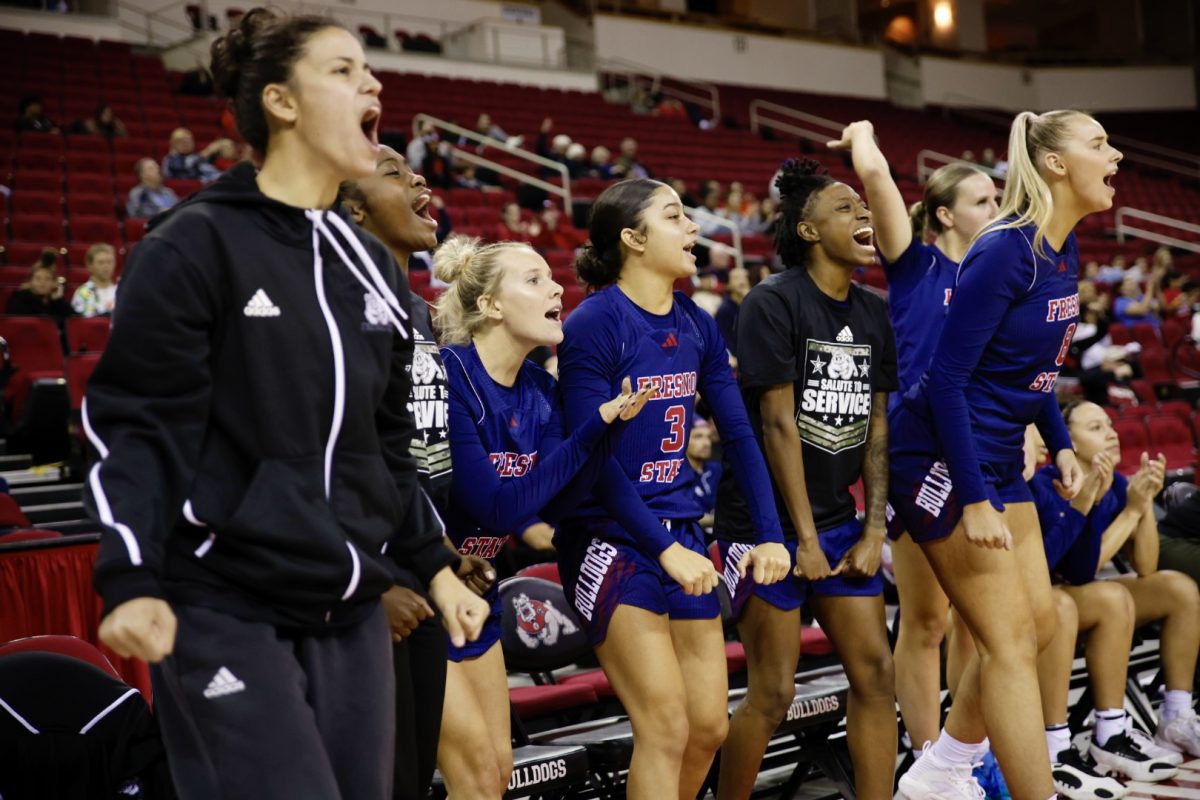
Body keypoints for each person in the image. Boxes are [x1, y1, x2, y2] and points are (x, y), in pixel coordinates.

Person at [84, 10, 488, 799]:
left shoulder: (374, 268)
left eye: (368, 68)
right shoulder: (190, 244)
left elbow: (385, 445)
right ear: (281, 102)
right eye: (342, 70)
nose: (370, 82)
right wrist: (128, 576)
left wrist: (434, 565)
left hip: (350, 609)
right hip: (223, 605)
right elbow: (136, 425)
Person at [887, 109, 1120, 800]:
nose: (1115, 156)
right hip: (937, 456)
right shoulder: (1003, 250)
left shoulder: (1062, 248)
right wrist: (978, 497)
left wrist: (1056, 443)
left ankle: (942, 769)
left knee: (1042, 622)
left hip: (994, 452)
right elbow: (949, 381)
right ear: (1054, 164)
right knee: (1009, 645)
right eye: (1099, 144)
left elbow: (1035, 368)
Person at [556, 178, 790, 799]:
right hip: (609, 536)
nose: (694, 229)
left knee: (708, 728)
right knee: (664, 726)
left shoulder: (695, 322)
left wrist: (770, 533)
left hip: (681, 531)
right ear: (632, 240)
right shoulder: (592, 325)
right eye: (675, 217)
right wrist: (663, 548)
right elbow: (594, 461)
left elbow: (739, 434)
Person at [431, 234, 653, 797]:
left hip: (479, 590)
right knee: (468, 771)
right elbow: (499, 506)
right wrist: (592, 428)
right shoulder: (448, 375)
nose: (556, 286)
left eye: (551, 278)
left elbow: (560, 501)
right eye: (534, 280)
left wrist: (612, 426)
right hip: (420, 592)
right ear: (491, 306)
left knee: (496, 771)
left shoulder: (538, 386)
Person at [713, 158, 899, 800]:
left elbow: (877, 430)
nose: (864, 215)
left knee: (877, 674)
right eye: (846, 208)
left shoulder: (874, 312)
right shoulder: (772, 301)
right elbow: (778, 425)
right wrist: (802, 540)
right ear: (809, 229)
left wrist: (873, 528)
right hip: (763, 524)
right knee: (773, 690)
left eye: (863, 206)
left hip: (840, 522)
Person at [826, 121, 1000, 763]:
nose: (997, 210)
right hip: (917, 454)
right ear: (946, 215)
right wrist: (866, 135)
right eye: (983, 200)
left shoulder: (998, 278)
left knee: (984, 626)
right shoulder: (917, 263)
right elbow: (876, 179)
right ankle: (929, 756)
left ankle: (969, 754)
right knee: (928, 620)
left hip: (978, 450)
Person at [338, 146, 493, 800]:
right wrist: (369, 582)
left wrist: (440, 555)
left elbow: (412, 456)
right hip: (362, 580)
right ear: (354, 207)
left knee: (412, 775)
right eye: (395, 173)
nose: (420, 180)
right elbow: (333, 457)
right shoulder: (339, 306)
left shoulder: (414, 311)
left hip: (417, 565)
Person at [1022, 424, 1180, 798]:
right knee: (1071, 603)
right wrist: (1109, 510)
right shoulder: (1044, 483)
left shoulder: (1113, 482)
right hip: (1030, 604)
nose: (1110, 432)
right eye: (1096, 427)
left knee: (1177, 588)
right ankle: (1054, 745)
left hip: (1059, 597)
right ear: (1069, 441)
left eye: (1110, 424)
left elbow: (1146, 566)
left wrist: (1142, 506)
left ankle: (1146, 722)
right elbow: (1062, 570)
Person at [8, 251, 72, 321]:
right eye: (38, 278)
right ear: (31, 281)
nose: (42, 282)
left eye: (47, 279)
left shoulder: (57, 301)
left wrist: (58, 301)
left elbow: (74, 321)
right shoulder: (20, 298)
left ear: (54, 282)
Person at [161, 127, 231, 183]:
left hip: (215, 182)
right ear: (174, 144)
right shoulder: (170, 159)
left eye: (189, 140)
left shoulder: (195, 156)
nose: (187, 143)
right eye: (182, 141)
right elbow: (183, 172)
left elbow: (211, 170)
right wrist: (206, 153)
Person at [686, 417, 720, 529]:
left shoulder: (717, 470)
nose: (706, 443)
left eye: (708, 437)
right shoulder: (677, 475)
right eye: (698, 437)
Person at [70, 243, 119, 318]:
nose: (106, 266)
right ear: (90, 266)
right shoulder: (82, 293)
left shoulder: (121, 291)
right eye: (101, 262)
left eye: (109, 262)